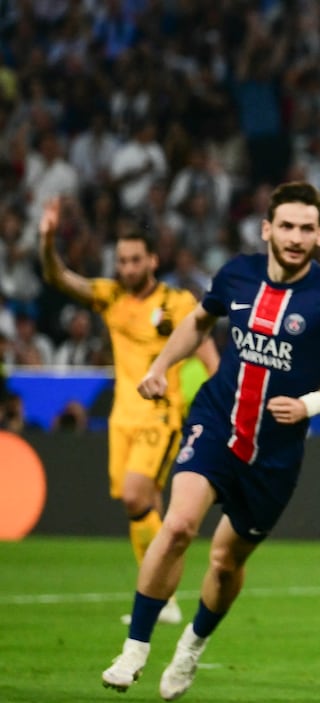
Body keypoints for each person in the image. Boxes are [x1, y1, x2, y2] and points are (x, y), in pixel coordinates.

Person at [100, 181, 320, 698]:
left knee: (227, 563)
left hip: (275, 450)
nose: (295, 237)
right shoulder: (237, 274)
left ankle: (192, 646)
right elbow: (197, 322)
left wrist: (312, 404)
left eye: (306, 228)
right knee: (178, 524)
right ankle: (134, 648)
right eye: (286, 226)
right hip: (216, 419)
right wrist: (162, 366)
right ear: (267, 228)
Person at [40, 196, 219, 627]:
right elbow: (59, 277)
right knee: (140, 506)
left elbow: (208, 352)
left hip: (161, 415)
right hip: (122, 418)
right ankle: (164, 598)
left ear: (153, 260)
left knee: (139, 495)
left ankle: (159, 592)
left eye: (135, 259)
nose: (127, 268)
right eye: (121, 260)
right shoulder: (111, 297)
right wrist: (47, 240)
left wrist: (225, 401)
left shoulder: (177, 303)